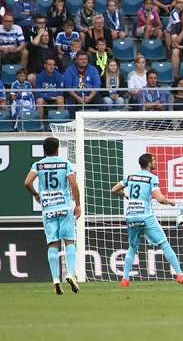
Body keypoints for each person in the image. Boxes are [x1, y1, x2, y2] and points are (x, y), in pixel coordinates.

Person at [111, 153, 183, 286]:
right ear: (149, 163)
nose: (155, 162)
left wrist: (126, 196)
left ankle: (125, 279)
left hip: (131, 215)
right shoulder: (152, 178)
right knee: (164, 244)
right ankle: (180, 275)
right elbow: (159, 198)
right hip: (145, 215)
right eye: (154, 160)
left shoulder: (130, 177)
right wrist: (170, 202)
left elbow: (114, 189)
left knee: (132, 247)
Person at [23, 137, 81, 295]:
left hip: (48, 209)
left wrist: (35, 194)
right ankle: (71, 274)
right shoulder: (65, 164)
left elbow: (27, 182)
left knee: (53, 244)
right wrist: (78, 204)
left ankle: (55, 279)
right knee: (69, 240)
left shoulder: (38, 165)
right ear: (57, 149)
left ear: (44, 149)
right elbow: (73, 184)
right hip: (64, 207)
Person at [63, 51, 101, 116]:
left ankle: (102, 123)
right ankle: (73, 124)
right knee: (70, 101)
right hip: (75, 95)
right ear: (76, 60)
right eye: (81, 59)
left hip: (90, 95)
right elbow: (68, 87)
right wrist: (78, 98)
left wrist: (90, 97)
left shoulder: (93, 69)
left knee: (102, 103)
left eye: (85, 59)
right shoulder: (69, 70)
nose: (83, 61)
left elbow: (97, 85)